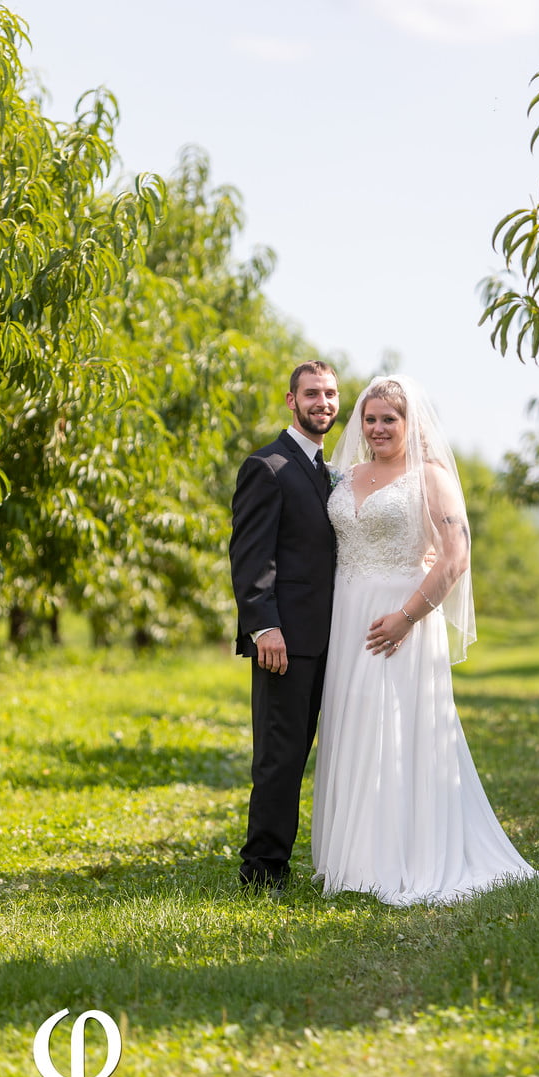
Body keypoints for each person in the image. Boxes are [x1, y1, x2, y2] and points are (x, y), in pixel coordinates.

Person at [311, 375, 539, 906]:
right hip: (347, 620)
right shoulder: (343, 476)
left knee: (399, 731)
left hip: (401, 622)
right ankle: (352, 860)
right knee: (353, 723)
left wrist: (405, 618)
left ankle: (404, 856)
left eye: (390, 419)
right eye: (371, 418)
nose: (378, 428)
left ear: (410, 425)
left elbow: (455, 558)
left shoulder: (429, 478)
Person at [229, 360, 339, 892]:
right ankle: (262, 871)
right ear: (291, 401)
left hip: (330, 642)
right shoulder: (267, 466)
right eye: (312, 393)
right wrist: (264, 627)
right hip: (285, 643)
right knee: (280, 757)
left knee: (316, 753)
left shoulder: (323, 469)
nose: (323, 402)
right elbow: (251, 558)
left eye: (331, 394)